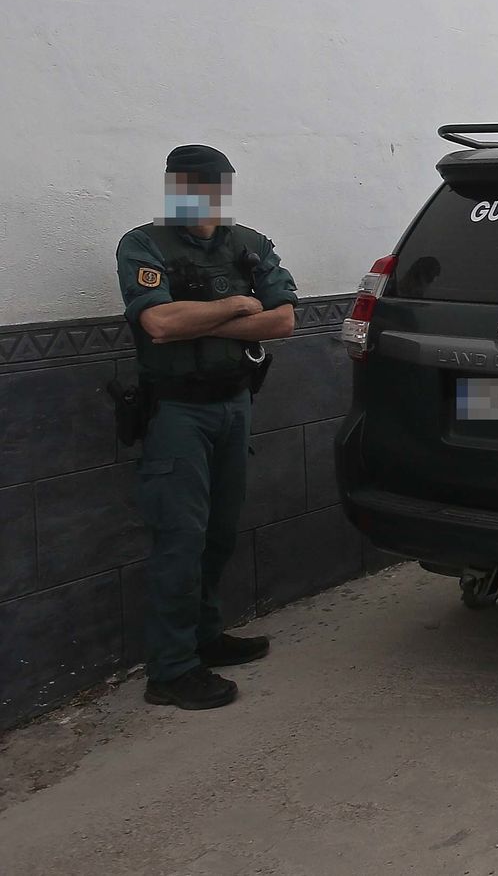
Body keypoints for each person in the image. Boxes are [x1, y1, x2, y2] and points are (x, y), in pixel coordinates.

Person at [116, 145, 298, 709]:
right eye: (190, 186)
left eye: (213, 186)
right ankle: (171, 670)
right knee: (180, 538)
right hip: (177, 412)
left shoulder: (248, 244)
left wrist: (202, 321)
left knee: (219, 533)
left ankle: (204, 636)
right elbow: (159, 323)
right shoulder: (143, 244)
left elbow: (284, 320)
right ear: (174, 188)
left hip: (233, 404)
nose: (203, 197)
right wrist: (239, 306)